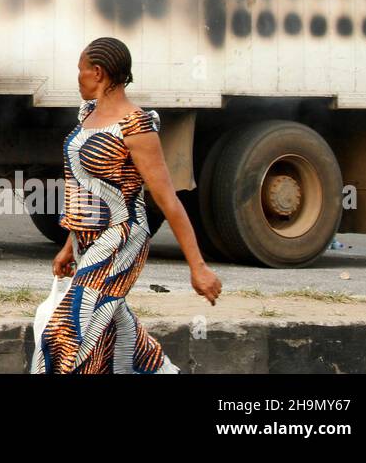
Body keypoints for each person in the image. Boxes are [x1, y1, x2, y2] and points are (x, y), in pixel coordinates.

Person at [31, 36, 222, 374]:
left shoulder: (136, 125)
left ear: (98, 72)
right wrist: (69, 246)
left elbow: (167, 200)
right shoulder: (89, 114)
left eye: (81, 71)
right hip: (86, 242)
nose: (77, 78)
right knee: (115, 336)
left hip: (120, 237)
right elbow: (83, 187)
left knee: (64, 333)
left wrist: (198, 266)